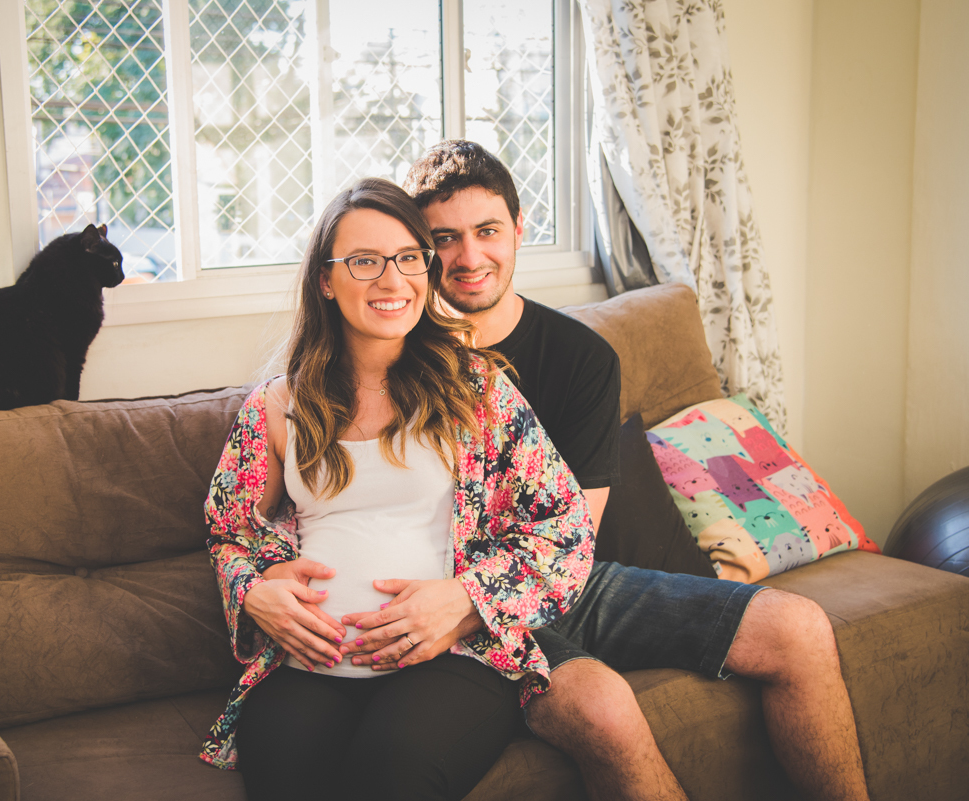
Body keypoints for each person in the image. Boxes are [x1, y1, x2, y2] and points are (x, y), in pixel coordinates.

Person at [348, 139, 865, 801]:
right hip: (462, 614)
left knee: (800, 627)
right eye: (444, 238)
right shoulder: (392, 352)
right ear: (416, 248)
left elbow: (573, 542)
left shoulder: (581, 357)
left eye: (486, 231)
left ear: (518, 228)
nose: (469, 257)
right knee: (606, 707)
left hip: (566, 577)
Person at [199, 176, 595, 801]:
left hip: (452, 659)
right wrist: (253, 592)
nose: (392, 279)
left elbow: (565, 527)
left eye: (409, 258)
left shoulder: (478, 392)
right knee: (282, 769)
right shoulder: (278, 407)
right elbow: (231, 533)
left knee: (392, 770)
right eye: (364, 261)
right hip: (309, 665)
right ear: (326, 280)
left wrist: (468, 599)